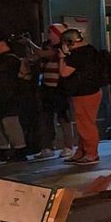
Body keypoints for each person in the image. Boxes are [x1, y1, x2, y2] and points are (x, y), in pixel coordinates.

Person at [57, 28, 107, 165]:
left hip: (84, 93)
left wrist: (62, 58)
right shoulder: (91, 50)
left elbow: (64, 73)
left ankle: (91, 153)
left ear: (69, 42)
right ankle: (82, 151)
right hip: (93, 91)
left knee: (86, 124)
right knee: (84, 124)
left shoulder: (77, 55)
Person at [34, 24, 75, 159]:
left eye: (51, 33)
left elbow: (44, 54)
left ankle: (68, 146)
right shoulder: (46, 45)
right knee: (46, 117)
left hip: (60, 87)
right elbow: (39, 57)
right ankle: (47, 146)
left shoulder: (63, 47)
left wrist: (29, 43)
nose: (49, 35)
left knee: (63, 117)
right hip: (46, 86)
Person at [0, 36, 29, 162]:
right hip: (0, 97)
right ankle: (5, 150)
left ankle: (19, 150)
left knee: (10, 124)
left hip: (9, 97)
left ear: (2, 43)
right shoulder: (2, 60)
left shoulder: (11, 60)